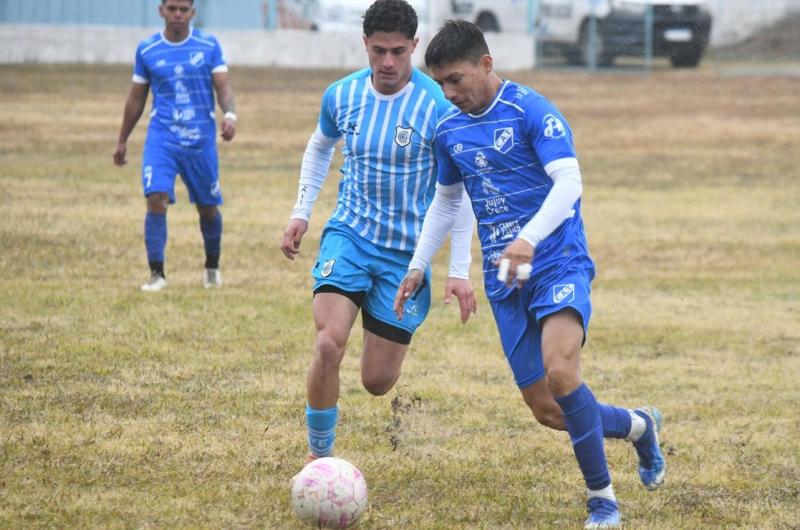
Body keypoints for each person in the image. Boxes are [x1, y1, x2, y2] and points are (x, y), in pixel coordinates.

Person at [394, 20, 665, 529]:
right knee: (548, 410)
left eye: (457, 80)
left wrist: (528, 239)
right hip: (504, 279)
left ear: (487, 64)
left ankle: (602, 500)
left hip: (557, 261)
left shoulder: (531, 110)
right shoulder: (449, 131)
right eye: (442, 84)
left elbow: (569, 185)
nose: (450, 94)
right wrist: (417, 263)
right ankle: (637, 425)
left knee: (563, 374)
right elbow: (447, 202)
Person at [281, 0, 476, 463]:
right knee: (329, 342)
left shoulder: (439, 108)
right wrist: (301, 212)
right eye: (378, 51)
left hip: (406, 256)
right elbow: (320, 147)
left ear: (415, 46)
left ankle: (379, 321)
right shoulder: (341, 95)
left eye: (397, 51)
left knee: (376, 382)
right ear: (364, 45)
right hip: (349, 234)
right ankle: (319, 457)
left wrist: (460, 268)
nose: (387, 62)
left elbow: (461, 192)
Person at [113, 0, 237, 291]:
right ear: (161, 10)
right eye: (172, 8)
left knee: (207, 208)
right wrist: (122, 140)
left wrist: (229, 114)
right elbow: (136, 99)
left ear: (193, 12)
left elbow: (223, 87)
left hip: (200, 140)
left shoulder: (208, 45)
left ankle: (211, 267)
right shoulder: (147, 49)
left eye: (184, 9)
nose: (178, 14)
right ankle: (157, 274)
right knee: (156, 197)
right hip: (163, 138)